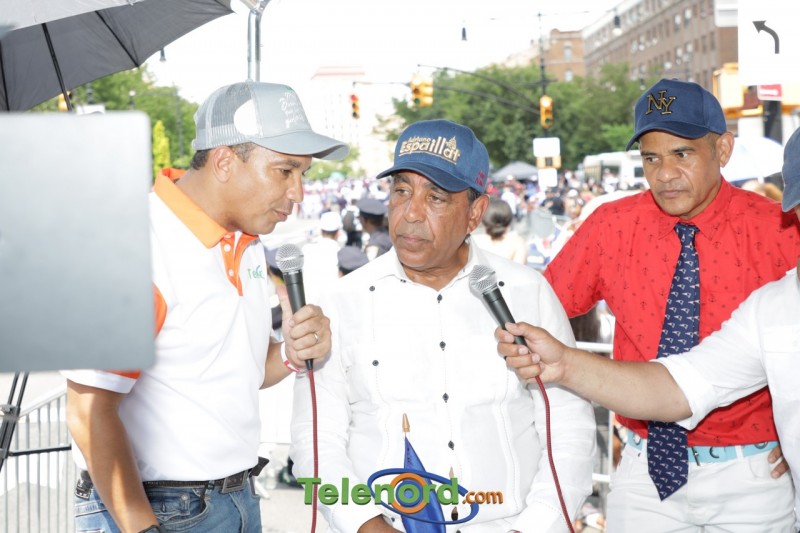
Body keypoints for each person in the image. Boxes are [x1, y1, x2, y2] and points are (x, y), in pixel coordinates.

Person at [62, 81, 347, 533]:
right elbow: (89, 409)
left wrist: (292, 353)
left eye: (303, 174)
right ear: (225, 161)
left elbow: (247, 370)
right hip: (156, 508)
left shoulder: (248, 242)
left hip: (237, 497)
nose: (298, 193)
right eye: (284, 171)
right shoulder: (134, 243)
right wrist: (143, 528)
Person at [291, 119, 596, 532]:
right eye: (401, 191)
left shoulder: (527, 293)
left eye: (435, 197)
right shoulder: (341, 302)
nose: (411, 213)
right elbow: (315, 440)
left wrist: (535, 526)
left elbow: (569, 427)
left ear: (475, 213)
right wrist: (364, 524)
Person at [496, 127, 800, 530]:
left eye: (682, 154)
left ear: (722, 149)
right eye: (651, 158)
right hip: (646, 470)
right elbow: (679, 387)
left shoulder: (772, 226)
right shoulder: (772, 306)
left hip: (754, 474)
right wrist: (563, 364)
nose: (666, 173)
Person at [301, 210, 343, 304]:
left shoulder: (306, 249)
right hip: (331, 304)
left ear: (320, 231)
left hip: (308, 302)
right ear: (338, 233)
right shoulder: (340, 253)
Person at [471, 197, 528, 264]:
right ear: (509, 219)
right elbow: (519, 268)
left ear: (483, 220)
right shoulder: (517, 243)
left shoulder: (472, 241)